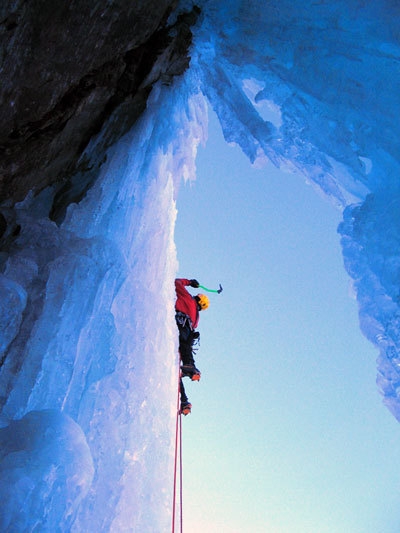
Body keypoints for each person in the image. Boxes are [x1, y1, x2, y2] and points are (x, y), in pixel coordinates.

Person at [175, 278, 209, 414]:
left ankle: (190, 368)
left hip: (179, 325)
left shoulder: (188, 298)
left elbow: (176, 283)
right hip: (188, 333)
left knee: (174, 362)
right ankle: (184, 401)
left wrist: (189, 282)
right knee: (176, 368)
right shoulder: (197, 318)